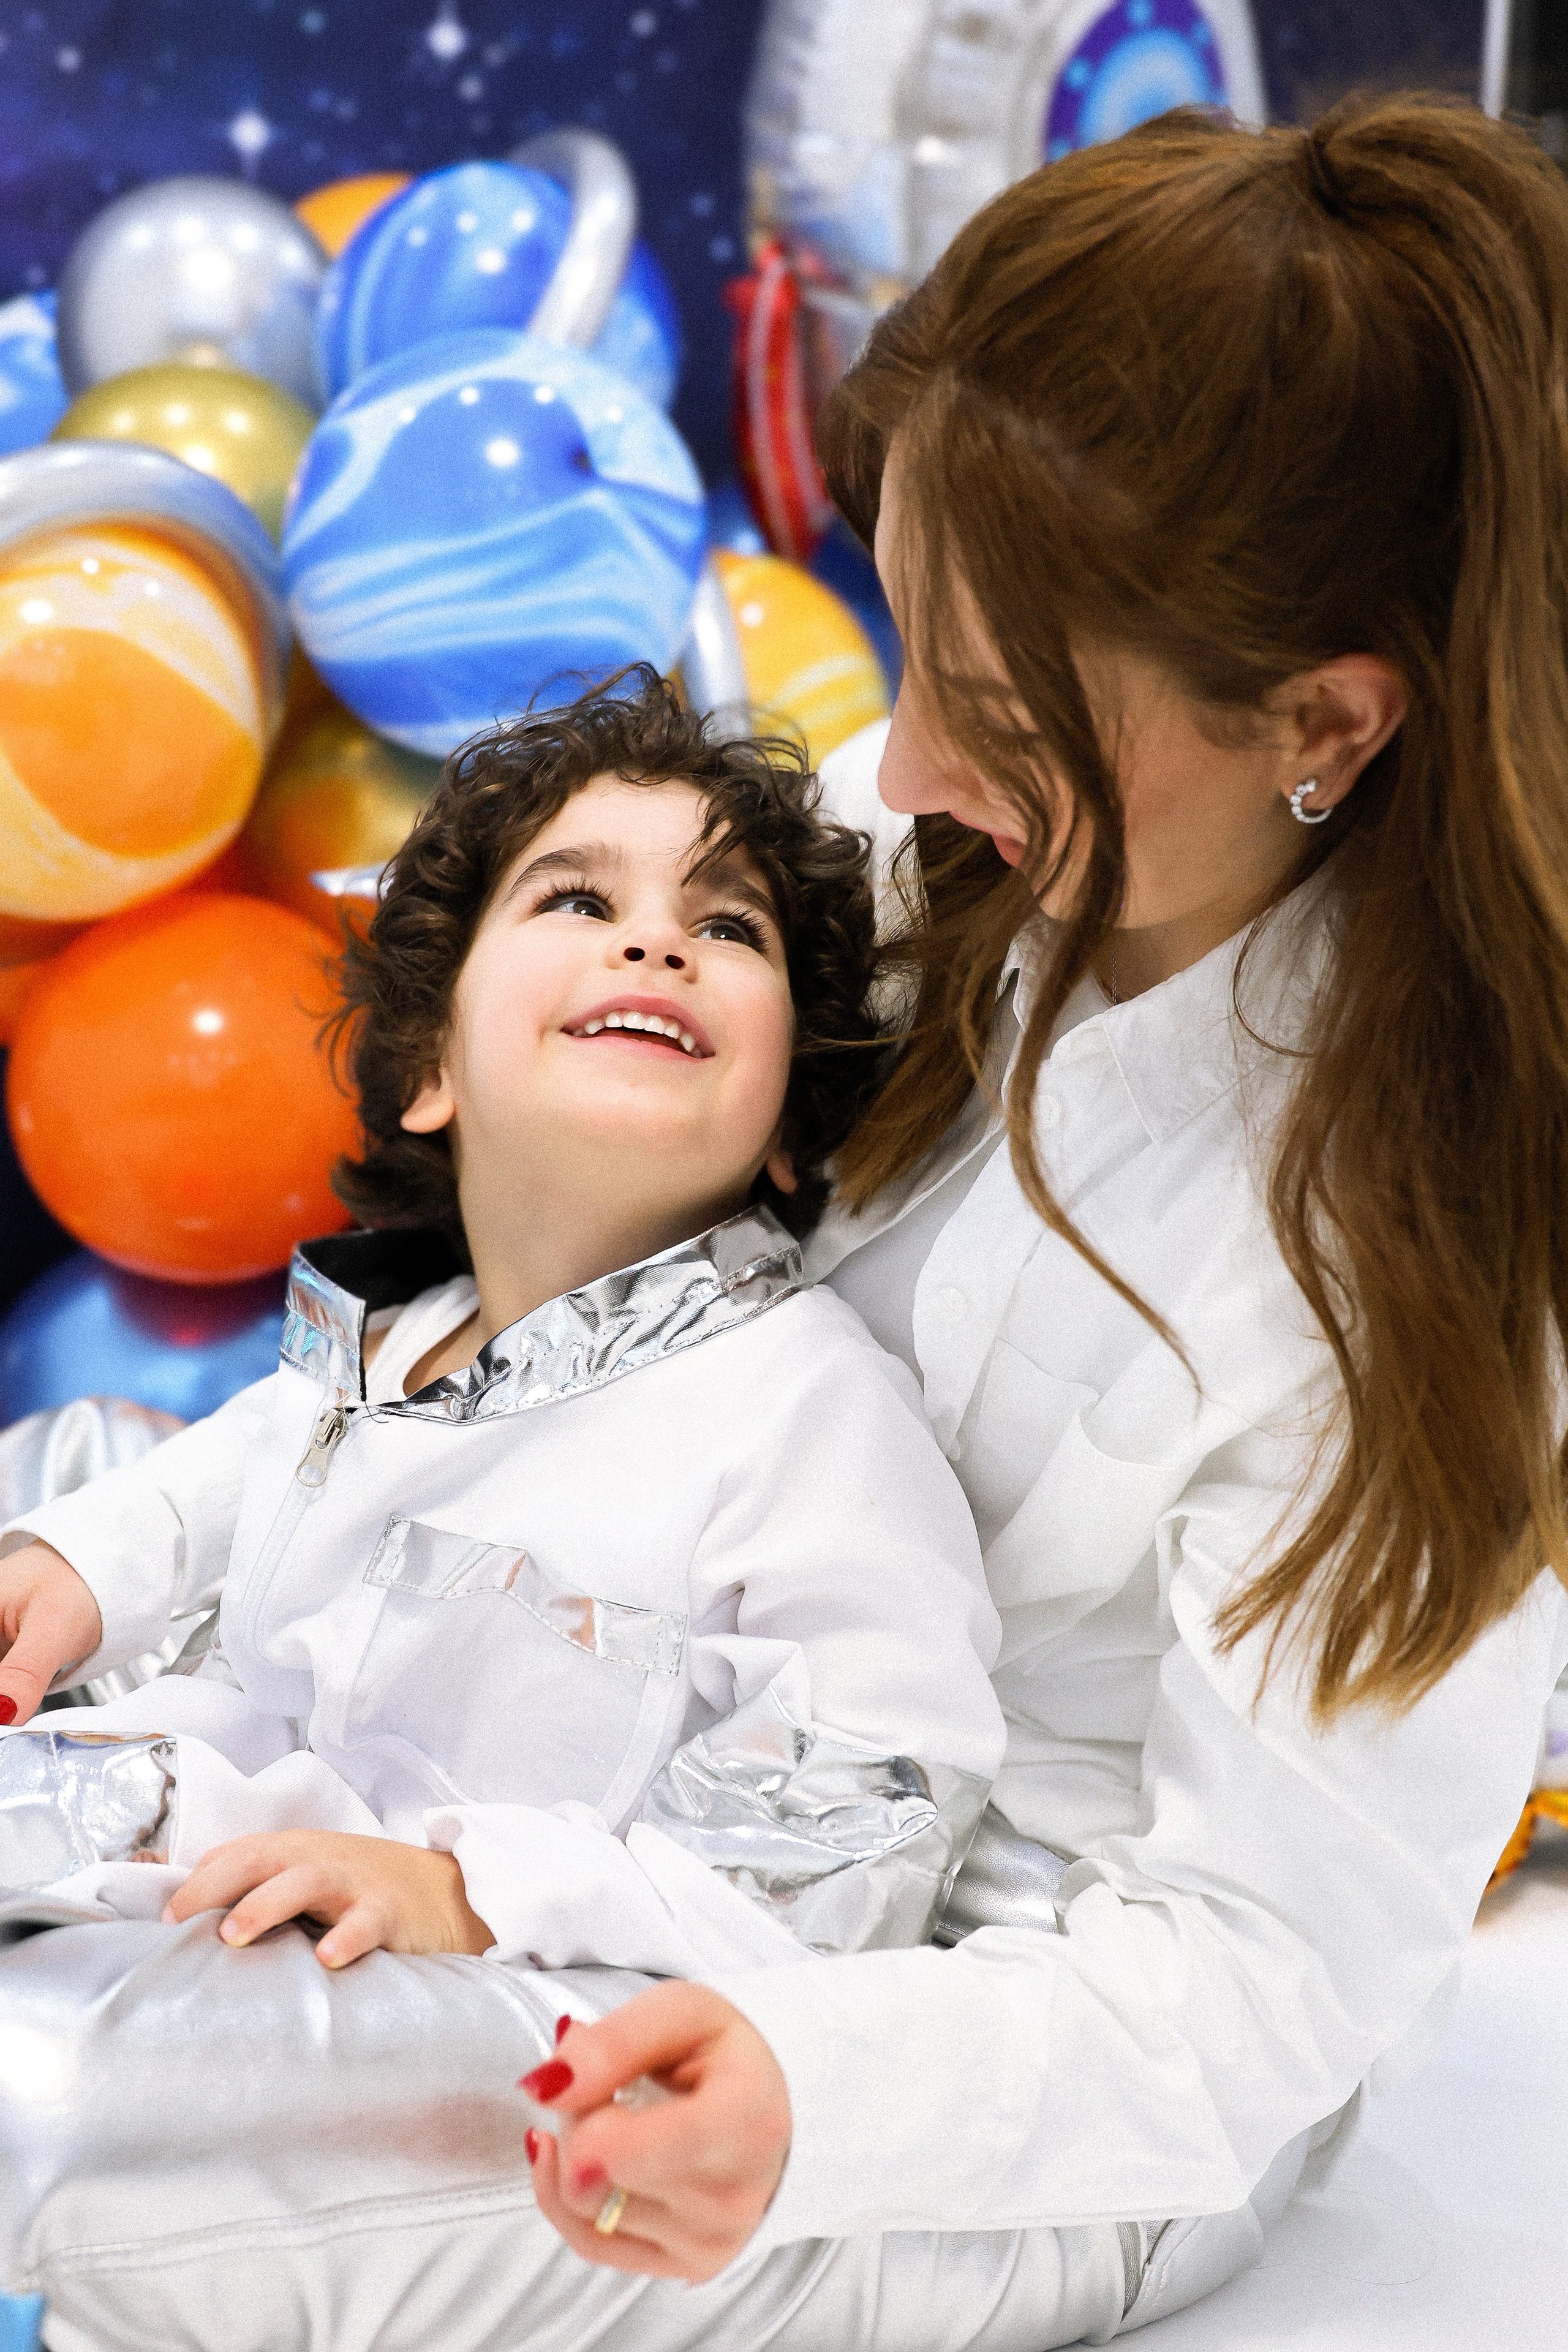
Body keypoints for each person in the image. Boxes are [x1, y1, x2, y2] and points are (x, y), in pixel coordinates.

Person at [1, 91, 1567, 2352]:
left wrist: (810, 2091)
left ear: (1320, 719)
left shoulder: (1386, 1265)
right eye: (905, 634)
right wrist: (126, 1571)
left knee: (77, 2116)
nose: (899, 765)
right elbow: (423, 1403)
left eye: (1002, 707)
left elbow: (1240, 1987)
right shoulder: (919, 867)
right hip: (594, 1811)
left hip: (987, 2064)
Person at [0, 671, 1004, 1981]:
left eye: (730, 928)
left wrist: (472, 1894)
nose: (656, 943)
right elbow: (242, 1467)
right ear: (429, 1072)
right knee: (68, 1466)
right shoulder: (398, 1336)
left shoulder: (803, 1407)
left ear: (783, 1133)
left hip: (490, 1996)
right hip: (245, 1823)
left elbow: (870, 1814)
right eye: (578, 899)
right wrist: (79, 1568)